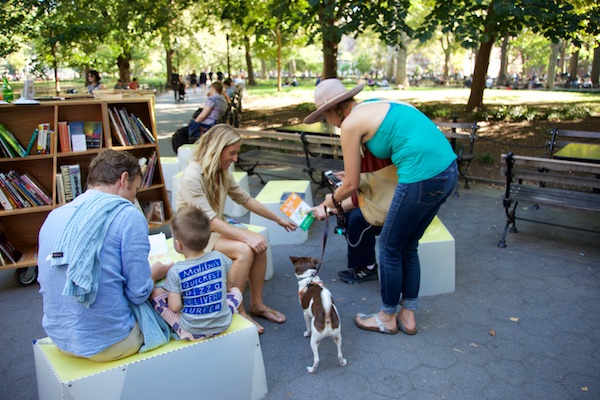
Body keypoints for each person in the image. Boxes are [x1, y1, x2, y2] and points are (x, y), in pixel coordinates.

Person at [303, 78, 457, 336]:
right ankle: (407, 314)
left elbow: (351, 184)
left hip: (420, 176)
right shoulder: (372, 106)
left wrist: (329, 202)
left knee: (387, 246)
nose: (327, 121)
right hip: (449, 171)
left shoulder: (350, 124)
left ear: (333, 110)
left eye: (324, 115)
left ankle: (387, 316)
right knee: (407, 244)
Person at [37, 149, 173, 361]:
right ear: (124, 179)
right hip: (112, 342)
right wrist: (154, 275)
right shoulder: (128, 215)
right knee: (170, 297)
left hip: (60, 339)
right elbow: (138, 292)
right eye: (135, 190)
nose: (134, 198)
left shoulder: (53, 216)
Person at [176, 124, 298, 334]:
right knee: (245, 249)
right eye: (232, 153)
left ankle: (256, 304)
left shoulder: (221, 170)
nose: (235, 158)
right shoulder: (191, 176)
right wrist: (246, 237)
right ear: (216, 150)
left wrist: (277, 218)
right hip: (194, 238)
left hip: (212, 231)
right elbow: (211, 221)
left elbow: (244, 198)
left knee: (259, 243)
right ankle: (236, 310)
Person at [152, 207, 243, 340]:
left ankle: (179, 329)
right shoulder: (219, 257)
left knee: (157, 293)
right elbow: (229, 286)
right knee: (236, 291)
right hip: (223, 324)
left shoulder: (175, 271)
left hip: (191, 331)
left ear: (178, 244)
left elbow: (175, 306)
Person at [312, 150, 395, 284]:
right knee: (351, 215)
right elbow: (362, 188)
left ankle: (367, 268)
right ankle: (361, 255)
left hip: (392, 205)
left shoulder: (374, 154)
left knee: (358, 219)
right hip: (383, 198)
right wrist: (349, 179)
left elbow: (357, 199)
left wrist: (329, 210)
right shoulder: (372, 152)